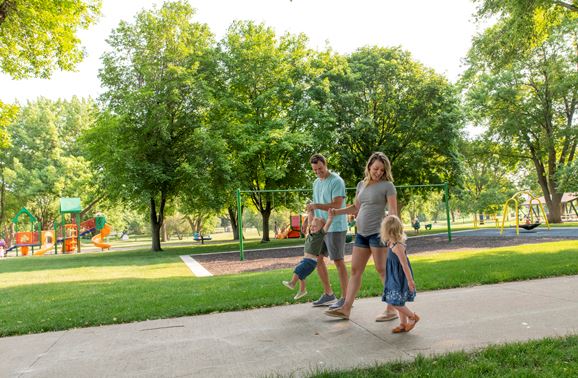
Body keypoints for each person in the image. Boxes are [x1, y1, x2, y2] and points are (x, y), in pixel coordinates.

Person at [325, 152, 399, 322]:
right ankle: (346, 309)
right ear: (369, 167)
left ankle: (392, 308)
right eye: (375, 168)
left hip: (378, 234)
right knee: (356, 271)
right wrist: (338, 212)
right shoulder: (361, 185)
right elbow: (356, 207)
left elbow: (393, 212)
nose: (378, 172)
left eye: (382, 169)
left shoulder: (388, 186)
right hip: (362, 234)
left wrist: (391, 234)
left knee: (382, 270)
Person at [308, 153, 348, 309]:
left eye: (320, 168)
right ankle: (329, 294)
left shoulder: (336, 181)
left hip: (335, 227)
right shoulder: (316, 183)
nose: (318, 172)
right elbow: (315, 206)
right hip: (320, 228)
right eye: (314, 170)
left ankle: (346, 298)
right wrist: (311, 222)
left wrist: (317, 205)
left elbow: (337, 205)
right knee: (316, 258)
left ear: (325, 164)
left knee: (338, 261)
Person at [282, 208, 334, 300]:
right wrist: (311, 211)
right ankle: (302, 291)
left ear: (321, 229)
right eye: (312, 226)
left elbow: (327, 225)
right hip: (306, 260)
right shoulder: (310, 234)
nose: (312, 227)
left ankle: (292, 283)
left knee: (298, 269)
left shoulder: (320, 234)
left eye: (315, 226)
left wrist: (330, 217)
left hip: (311, 261)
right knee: (302, 276)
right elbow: (310, 221)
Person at [380, 215, 420, 333]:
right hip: (393, 276)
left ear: (387, 231)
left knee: (394, 301)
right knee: (399, 300)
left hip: (399, 277)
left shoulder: (398, 246)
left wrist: (410, 281)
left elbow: (404, 265)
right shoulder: (391, 243)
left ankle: (412, 317)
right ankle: (403, 324)